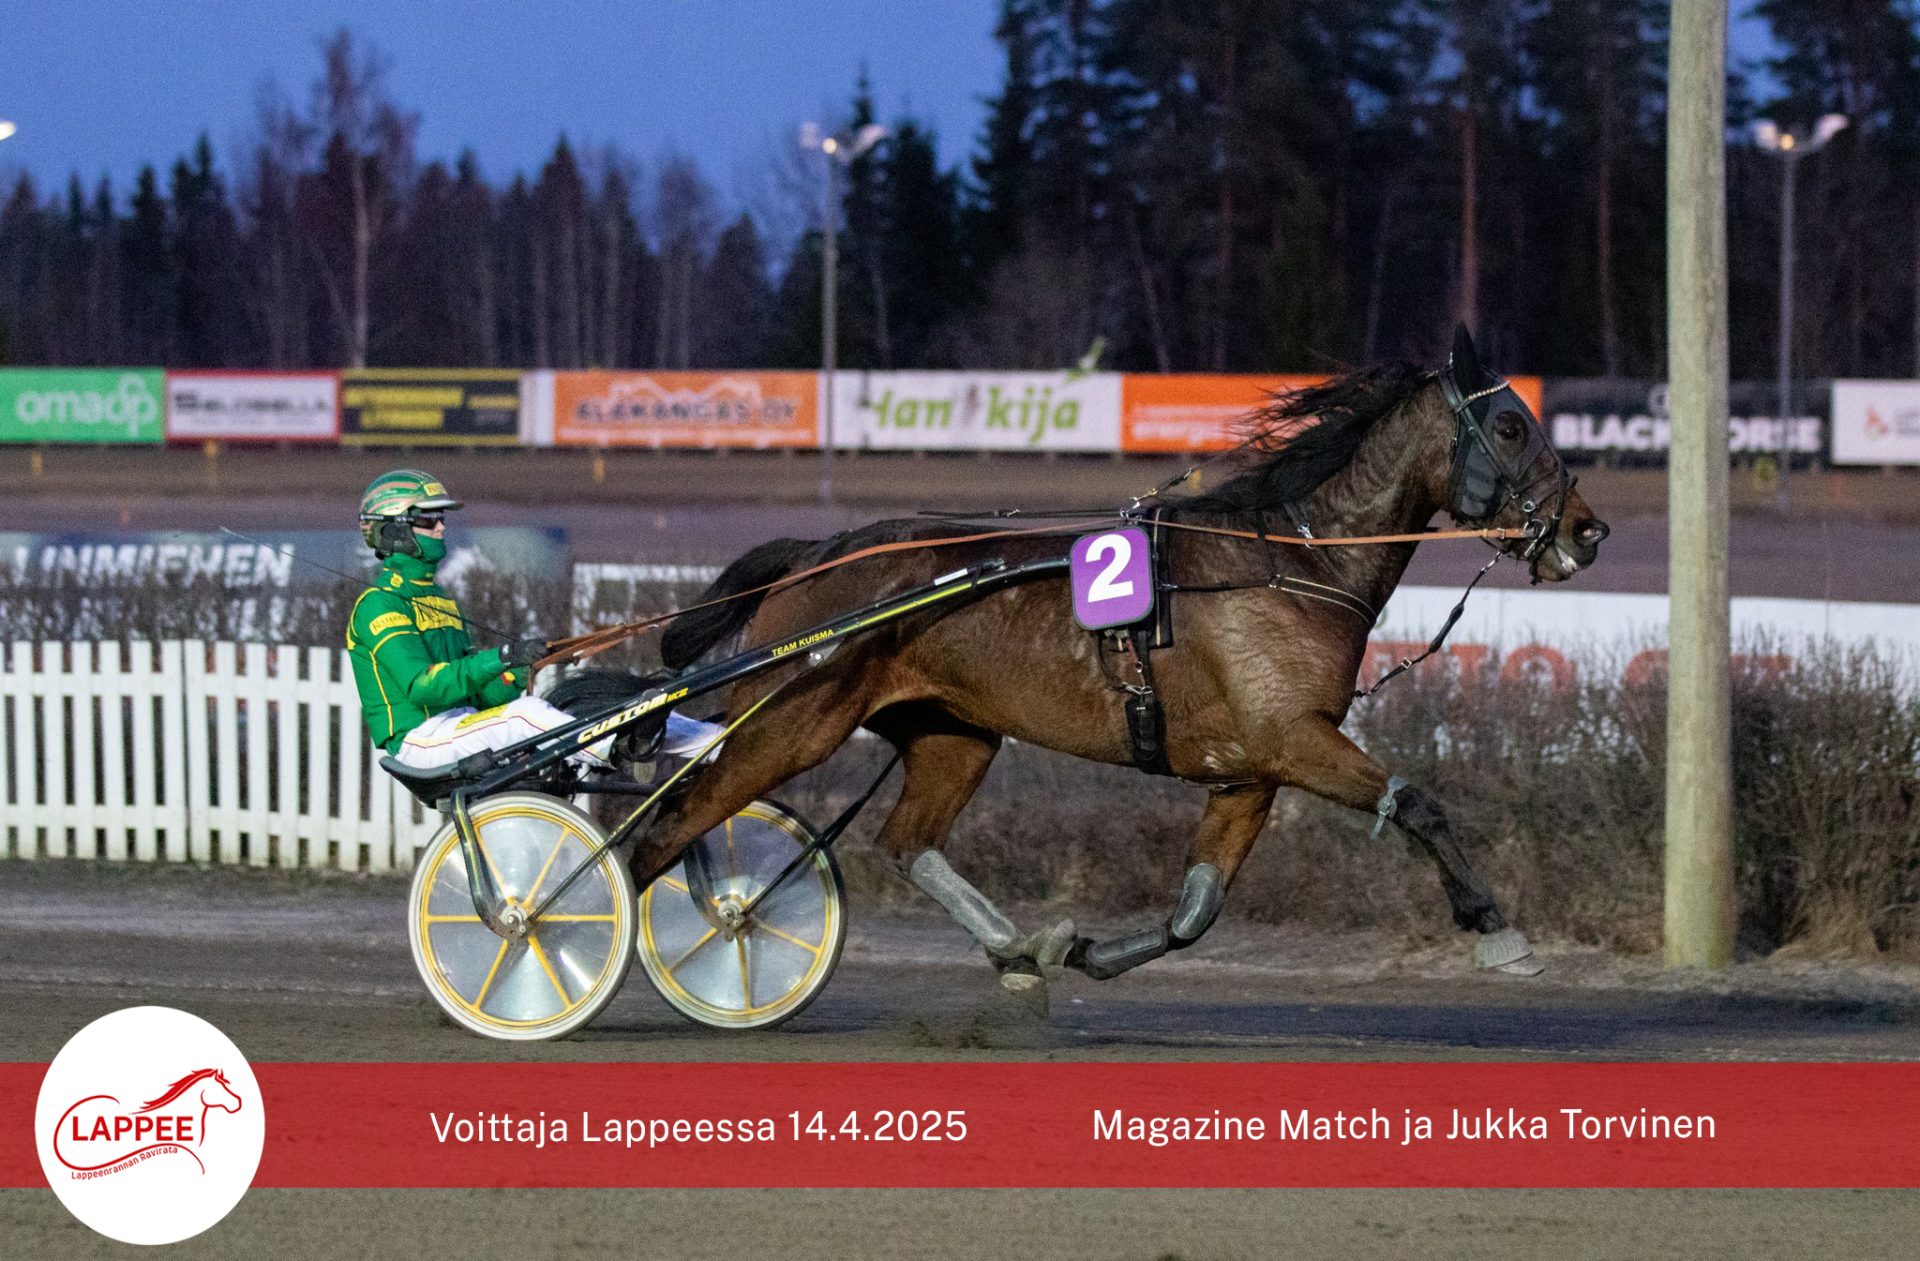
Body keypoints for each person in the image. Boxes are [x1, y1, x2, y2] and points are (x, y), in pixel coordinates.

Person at [345, 468, 722, 770]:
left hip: (461, 726)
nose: (441, 527)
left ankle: (719, 744)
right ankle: (616, 746)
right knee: (525, 716)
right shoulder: (379, 605)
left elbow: (481, 697)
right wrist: (503, 657)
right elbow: (424, 687)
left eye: (441, 518)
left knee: (613, 708)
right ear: (393, 530)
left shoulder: (438, 599)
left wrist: (521, 670)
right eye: (428, 520)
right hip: (420, 740)